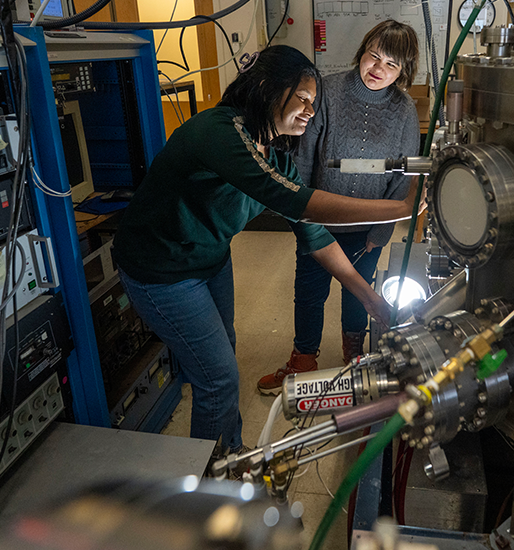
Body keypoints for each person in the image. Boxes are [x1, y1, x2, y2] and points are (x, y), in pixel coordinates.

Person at [113, 45, 416, 457]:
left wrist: (370, 299)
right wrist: (400, 208)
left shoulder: (274, 151)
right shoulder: (219, 132)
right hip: (161, 270)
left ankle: (230, 451)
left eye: (314, 102)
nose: (310, 111)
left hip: (209, 258)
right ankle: (213, 479)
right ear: (266, 88)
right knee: (217, 377)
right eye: (303, 99)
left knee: (223, 358)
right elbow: (302, 203)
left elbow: (316, 235)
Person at [257, 20, 422, 394]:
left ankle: (354, 355)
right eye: (373, 56)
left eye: (391, 65)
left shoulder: (404, 110)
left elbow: (404, 175)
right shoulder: (327, 91)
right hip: (320, 220)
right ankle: (303, 359)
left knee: (357, 293)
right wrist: (300, 213)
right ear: (362, 50)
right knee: (309, 292)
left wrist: (381, 232)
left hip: (367, 227)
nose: (378, 69)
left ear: (403, 71)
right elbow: (302, 159)